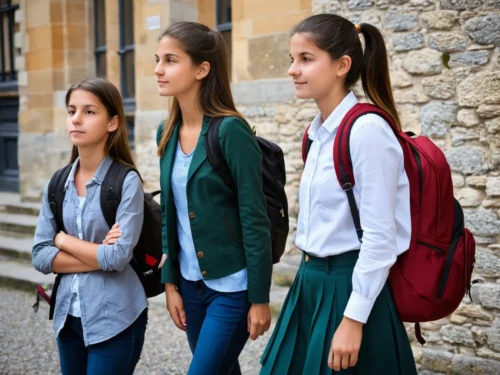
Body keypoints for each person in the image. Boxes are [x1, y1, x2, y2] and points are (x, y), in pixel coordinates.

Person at [260, 14, 417, 374]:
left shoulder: (368, 132)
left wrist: (354, 319)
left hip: (348, 287)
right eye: (291, 60)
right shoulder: (318, 133)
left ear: (342, 65)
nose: (292, 70)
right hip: (309, 283)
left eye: (306, 59)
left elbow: (381, 236)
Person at [154, 21, 273, 375]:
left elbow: (255, 218)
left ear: (202, 69)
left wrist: (260, 298)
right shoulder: (166, 132)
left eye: (171, 60)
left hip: (232, 287)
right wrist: (170, 283)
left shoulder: (230, 130)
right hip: (190, 286)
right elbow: (169, 214)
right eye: (158, 59)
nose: (158, 70)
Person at [32, 78, 148, 375]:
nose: (77, 119)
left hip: (116, 316)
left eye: (89, 111)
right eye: (72, 111)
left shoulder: (126, 181)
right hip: (67, 316)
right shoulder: (58, 183)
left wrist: (61, 240)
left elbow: (118, 257)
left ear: (112, 123)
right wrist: (98, 254)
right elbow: (40, 256)